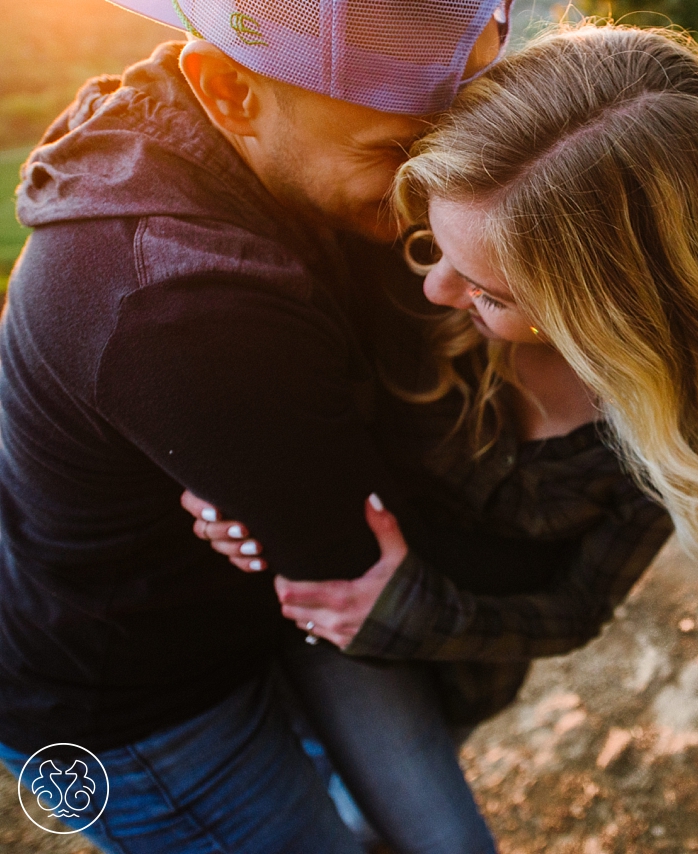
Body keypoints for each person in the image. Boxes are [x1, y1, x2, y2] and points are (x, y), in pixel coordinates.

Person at [188, 22, 698, 846]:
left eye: (487, 293)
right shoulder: (405, 266)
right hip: (285, 623)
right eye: (430, 245)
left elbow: (577, 606)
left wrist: (415, 611)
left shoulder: (687, 426)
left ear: (608, 316)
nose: (435, 287)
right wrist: (245, 483)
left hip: (457, 667)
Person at [0, 1, 518, 852]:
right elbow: (348, 565)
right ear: (229, 92)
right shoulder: (186, 303)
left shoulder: (216, 132)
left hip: (245, 609)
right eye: (394, 152)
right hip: (136, 705)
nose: (442, 193)